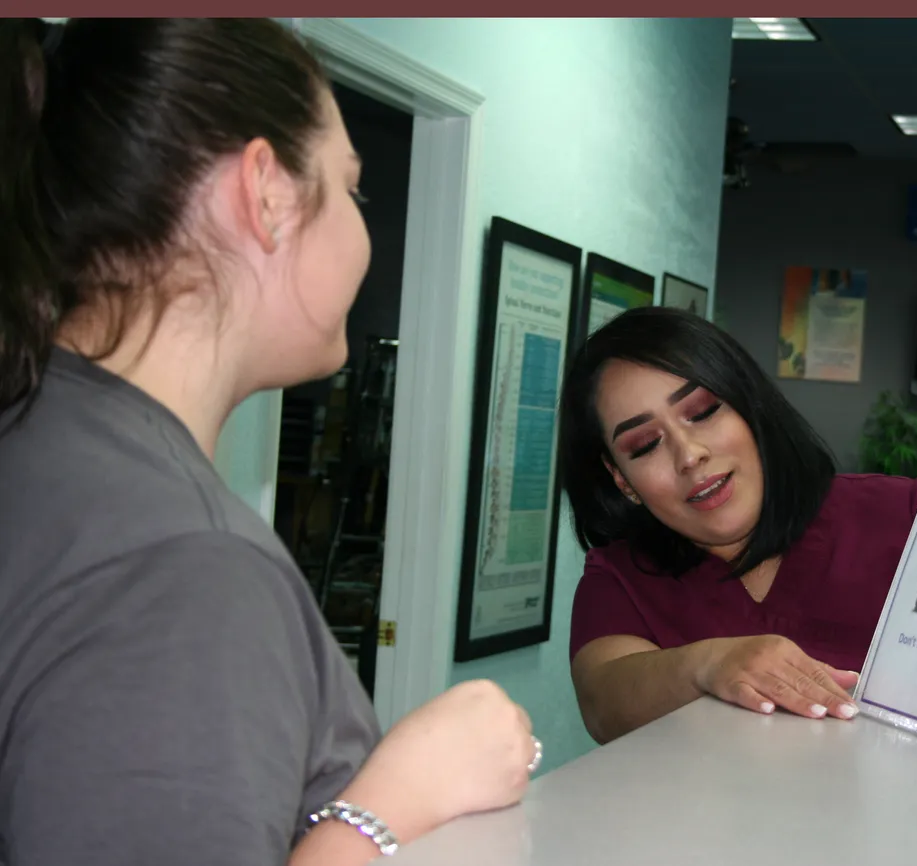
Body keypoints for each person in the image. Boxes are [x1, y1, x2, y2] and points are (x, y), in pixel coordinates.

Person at [0, 18, 538, 866]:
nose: (362, 231)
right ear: (268, 194)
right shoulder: (182, 563)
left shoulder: (42, 435)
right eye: (353, 190)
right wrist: (385, 805)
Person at [558, 307, 917, 745]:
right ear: (622, 479)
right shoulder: (623, 575)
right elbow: (605, 703)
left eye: (702, 412)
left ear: (750, 408)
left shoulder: (904, 519)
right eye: (645, 444)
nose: (689, 454)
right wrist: (707, 664)